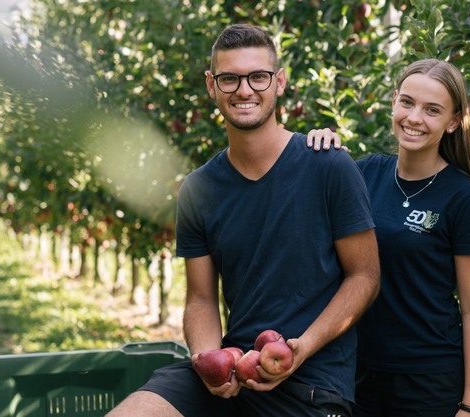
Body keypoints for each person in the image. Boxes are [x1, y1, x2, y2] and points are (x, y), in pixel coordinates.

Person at [106, 23, 380, 417]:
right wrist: (209, 361)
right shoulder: (199, 189)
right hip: (235, 372)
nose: (244, 90)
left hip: (312, 383)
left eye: (258, 77)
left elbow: (365, 277)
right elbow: (201, 298)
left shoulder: (328, 166)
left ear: (279, 82)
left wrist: (302, 347)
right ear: (212, 85)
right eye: (230, 78)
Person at [309, 59, 470, 417]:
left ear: (453, 121)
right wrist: (317, 150)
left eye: (432, 110)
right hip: (356, 371)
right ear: (394, 101)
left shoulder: (464, 198)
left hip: (427, 381)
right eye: (407, 102)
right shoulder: (361, 174)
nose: (414, 117)